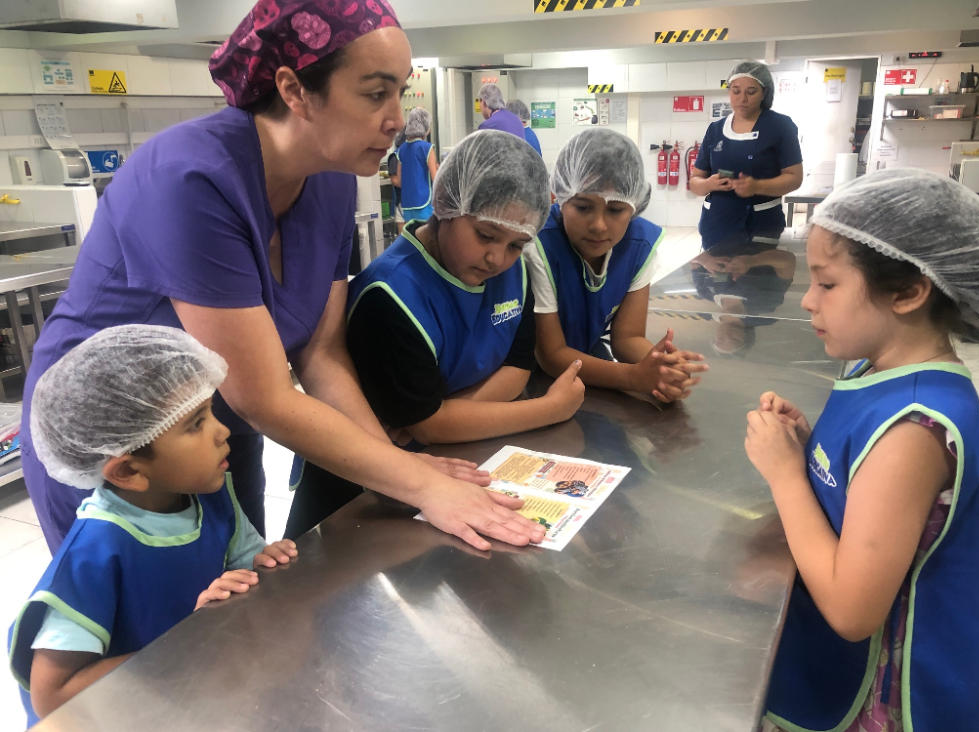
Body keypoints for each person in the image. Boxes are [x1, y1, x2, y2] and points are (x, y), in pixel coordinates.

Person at [20, 0, 546, 557]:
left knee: (237, 598)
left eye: (401, 92)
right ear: (295, 91)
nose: (396, 118)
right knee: (144, 627)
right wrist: (421, 486)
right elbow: (264, 396)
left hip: (215, 431)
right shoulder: (189, 181)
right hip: (123, 445)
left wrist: (397, 468)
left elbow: (321, 354)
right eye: (375, 93)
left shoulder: (333, 180)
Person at [744, 169, 979, 732]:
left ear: (908, 292)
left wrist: (786, 475)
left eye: (828, 284)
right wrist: (810, 446)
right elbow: (866, 477)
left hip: (895, 699)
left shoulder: (915, 427)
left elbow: (853, 610)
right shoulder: (877, 366)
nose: (807, 301)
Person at [7, 326, 298, 726]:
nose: (223, 431)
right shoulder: (95, 556)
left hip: (191, 695)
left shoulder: (210, 496)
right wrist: (186, 642)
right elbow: (53, 697)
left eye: (210, 411)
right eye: (196, 424)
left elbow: (240, 561)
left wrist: (259, 565)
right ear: (128, 470)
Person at [289, 130, 586, 521]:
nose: (497, 258)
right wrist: (548, 408)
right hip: (361, 490)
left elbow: (516, 368)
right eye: (485, 235)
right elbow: (429, 425)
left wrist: (444, 417)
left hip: (445, 462)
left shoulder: (516, 276)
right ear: (446, 206)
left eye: (516, 245)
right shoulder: (391, 294)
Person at [525, 128, 709, 405]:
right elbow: (551, 355)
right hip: (529, 377)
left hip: (587, 371)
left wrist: (660, 366)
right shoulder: (539, 246)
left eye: (615, 210)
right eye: (583, 207)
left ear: (634, 207)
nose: (599, 225)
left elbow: (627, 338)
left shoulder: (638, 247)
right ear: (559, 197)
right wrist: (634, 378)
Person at [690, 61, 804, 250]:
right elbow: (695, 181)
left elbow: (794, 178)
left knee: (757, 278)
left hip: (761, 226)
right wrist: (708, 184)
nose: (742, 98)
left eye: (751, 92)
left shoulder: (779, 126)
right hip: (717, 226)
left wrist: (757, 186)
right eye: (736, 91)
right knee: (712, 279)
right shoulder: (715, 130)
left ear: (764, 93)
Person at [396, 107, 438, 222]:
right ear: (425, 126)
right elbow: (436, 178)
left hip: (407, 205)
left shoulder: (401, 149)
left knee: (412, 237)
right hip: (424, 204)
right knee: (425, 238)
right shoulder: (427, 148)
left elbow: (399, 182)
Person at [387, 129, 406, 235]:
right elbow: (396, 181)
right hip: (402, 203)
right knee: (404, 237)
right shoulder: (395, 157)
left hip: (419, 203)